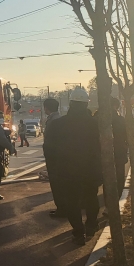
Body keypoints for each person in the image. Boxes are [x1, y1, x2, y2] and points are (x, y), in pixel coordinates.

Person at [43, 87, 102, 245]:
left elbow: (48, 149)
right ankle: (91, 225)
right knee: (91, 198)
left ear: (70, 104)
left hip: (66, 171)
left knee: (72, 202)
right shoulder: (95, 124)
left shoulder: (58, 124)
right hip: (90, 169)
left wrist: (54, 168)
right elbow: (102, 148)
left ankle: (78, 231)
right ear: (86, 104)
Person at [42, 98, 65, 217]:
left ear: (46, 108)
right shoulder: (58, 119)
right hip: (58, 157)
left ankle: (61, 209)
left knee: (57, 185)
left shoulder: (53, 121)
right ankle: (61, 208)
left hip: (54, 158)